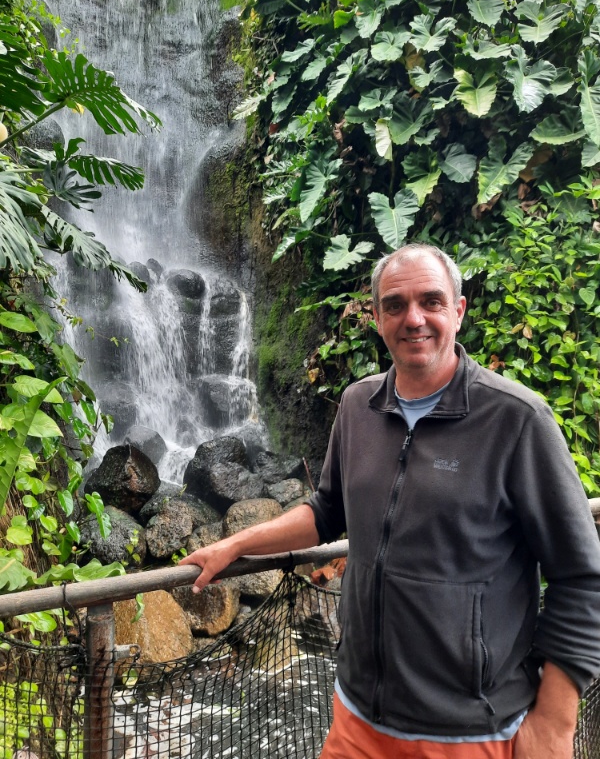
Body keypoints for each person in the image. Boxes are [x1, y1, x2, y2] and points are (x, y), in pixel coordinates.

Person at [180, 244, 600, 759]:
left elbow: (583, 577)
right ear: (376, 318)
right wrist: (234, 544)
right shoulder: (358, 405)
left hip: (471, 731)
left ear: (458, 311)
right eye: (395, 305)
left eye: (431, 301)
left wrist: (554, 725)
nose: (413, 318)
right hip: (356, 714)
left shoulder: (516, 421)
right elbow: (325, 511)